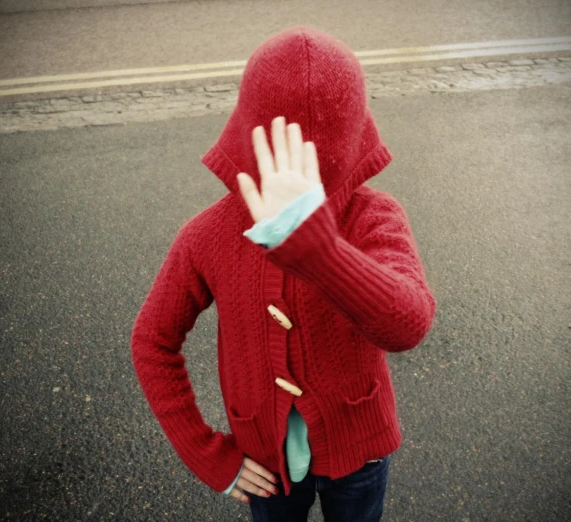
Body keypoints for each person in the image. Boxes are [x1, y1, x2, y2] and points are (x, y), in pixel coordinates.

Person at [131, 25, 436, 522]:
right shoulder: (207, 235)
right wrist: (208, 454)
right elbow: (152, 340)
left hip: (359, 453)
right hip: (263, 463)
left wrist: (320, 252)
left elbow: (409, 323)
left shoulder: (374, 217)